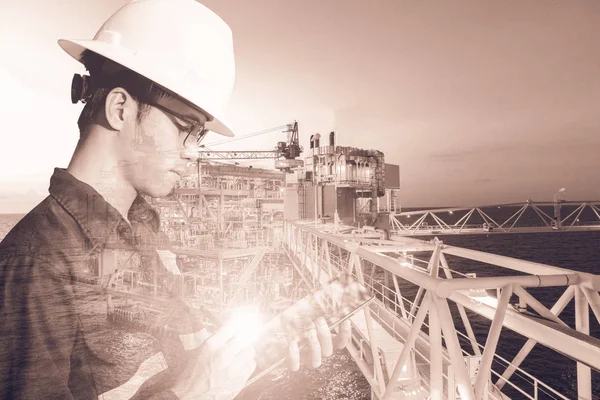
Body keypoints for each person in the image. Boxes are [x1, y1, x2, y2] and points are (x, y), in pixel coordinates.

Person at [0, 1, 350, 399]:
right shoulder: (37, 261)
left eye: (199, 137)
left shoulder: (143, 232)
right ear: (119, 109)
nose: (193, 152)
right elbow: (191, 386)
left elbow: (188, 363)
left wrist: (263, 352)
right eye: (186, 129)